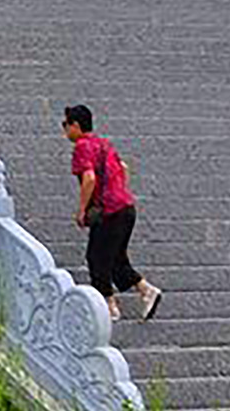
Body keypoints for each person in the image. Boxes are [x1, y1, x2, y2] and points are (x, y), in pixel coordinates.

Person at [64, 105, 161, 322]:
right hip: (126, 208)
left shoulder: (82, 146)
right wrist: (119, 191)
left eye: (66, 125)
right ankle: (146, 291)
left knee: (96, 257)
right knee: (116, 257)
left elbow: (89, 178)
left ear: (76, 126)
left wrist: (82, 209)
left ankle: (110, 307)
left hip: (109, 212)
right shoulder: (103, 143)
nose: (65, 130)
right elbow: (124, 167)